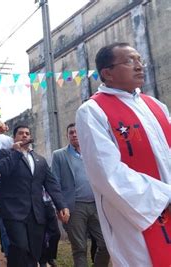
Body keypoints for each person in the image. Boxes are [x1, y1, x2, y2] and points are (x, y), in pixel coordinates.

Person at [75, 42, 171, 266]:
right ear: (107, 73)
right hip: (136, 215)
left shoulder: (155, 105)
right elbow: (107, 174)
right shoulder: (92, 111)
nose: (139, 66)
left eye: (139, 60)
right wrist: (166, 196)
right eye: (129, 61)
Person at [0, 125, 69, 267]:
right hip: (14, 212)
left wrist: (61, 205)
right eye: (20, 133)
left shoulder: (40, 160)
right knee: (20, 247)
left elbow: (51, 184)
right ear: (14, 137)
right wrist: (16, 152)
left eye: (27, 134)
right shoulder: (5, 154)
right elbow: (4, 170)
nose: (24, 136)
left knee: (33, 251)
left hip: (36, 213)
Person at [51, 123, 109, 266]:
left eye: (77, 132)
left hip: (96, 206)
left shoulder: (93, 154)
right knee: (79, 248)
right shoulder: (59, 155)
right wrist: (59, 207)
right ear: (67, 136)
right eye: (71, 133)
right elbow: (55, 184)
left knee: (106, 244)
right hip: (74, 208)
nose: (74, 135)